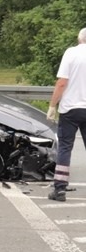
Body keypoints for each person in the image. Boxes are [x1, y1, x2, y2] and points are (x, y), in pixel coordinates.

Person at [47, 27, 86, 201]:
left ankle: (60, 189)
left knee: (65, 148)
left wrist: (52, 105)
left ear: (80, 39)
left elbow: (62, 82)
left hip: (70, 108)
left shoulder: (71, 53)